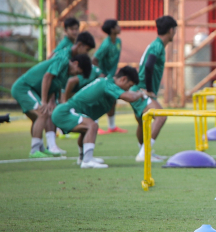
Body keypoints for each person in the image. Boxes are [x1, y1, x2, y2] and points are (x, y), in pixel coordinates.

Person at [51, 67, 148, 169]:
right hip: (64, 112)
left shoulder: (107, 82)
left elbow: (129, 95)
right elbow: (130, 97)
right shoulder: (108, 84)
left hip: (66, 111)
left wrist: (138, 93)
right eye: (129, 86)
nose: (128, 90)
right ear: (123, 79)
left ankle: (82, 158)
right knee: (92, 125)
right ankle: (87, 161)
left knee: (86, 129)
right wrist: (140, 94)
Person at [11, 51, 91, 158]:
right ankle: (34, 151)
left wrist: (50, 102)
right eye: (78, 71)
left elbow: (52, 87)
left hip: (33, 91)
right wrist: (44, 101)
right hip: (24, 88)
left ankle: (40, 148)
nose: (76, 74)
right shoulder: (63, 61)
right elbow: (47, 77)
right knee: (42, 113)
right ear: (75, 63)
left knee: (40, 117)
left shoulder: (65, 75)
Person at [44, 32, 97, 155]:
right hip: (37, 85)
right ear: (79, 45)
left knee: (48, 112)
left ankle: (48, 145)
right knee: (44, 112)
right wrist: (47, 99)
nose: (86, 53)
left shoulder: (70, 57)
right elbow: (49, 71)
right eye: (87, 50)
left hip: (52, 88)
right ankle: (43, 147)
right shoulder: (65, 55)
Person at [134, 16, 177, 162]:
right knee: (161, 116)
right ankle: (144, 154)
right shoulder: (157, 46)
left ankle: (144, 152)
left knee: (142, 122)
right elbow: (148, 65)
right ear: (171, 30)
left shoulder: (157, 45)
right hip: (141, 90)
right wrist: (149, 90)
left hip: (138, 89)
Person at [94, 19, 125, 134]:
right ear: (112, 29)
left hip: (111, 77)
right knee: (99, 101)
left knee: (112, 100)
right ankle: (95, 126)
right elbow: (94, 59)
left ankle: (112, 126)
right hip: (103, 77)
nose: (119, 27)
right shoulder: (106, 44)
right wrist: (100, 74)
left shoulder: (118, 41)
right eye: (117, 25)